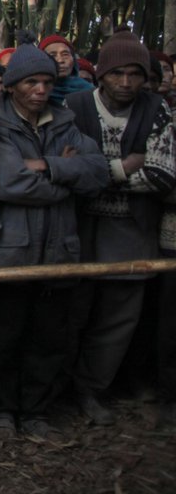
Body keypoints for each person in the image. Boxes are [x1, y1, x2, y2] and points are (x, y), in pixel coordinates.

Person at [0, 44, 107, 440]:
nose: (39, 90)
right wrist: (66, 177)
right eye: (30, 82)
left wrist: (48, 166)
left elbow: (98, 174)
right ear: (11, 87)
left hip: (59, 251)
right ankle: (2, 409)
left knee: (48, 337)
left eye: (46, 82)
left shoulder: (67, 124)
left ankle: (36, 411)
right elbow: (9, 182)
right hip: (12, 252)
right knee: (5, 336)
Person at [65, 29, 175, 425]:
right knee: (73, 310)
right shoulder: (76, 105)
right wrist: (124, 165)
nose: (126, 83)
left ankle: (93, 388)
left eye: (134, 74)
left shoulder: (156, 108)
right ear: (101, 75)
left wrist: (98, 173)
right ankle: (63, 389)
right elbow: (70, 171)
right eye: (117, 74)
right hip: (78, 227)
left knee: (119, 317)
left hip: (132, 230)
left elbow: (163, 175)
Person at [39, 34, 94, 105]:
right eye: (52, 55)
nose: (60, 60)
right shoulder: (35, 92)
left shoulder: (90, 92)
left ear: (73, 59)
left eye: (65, 54)